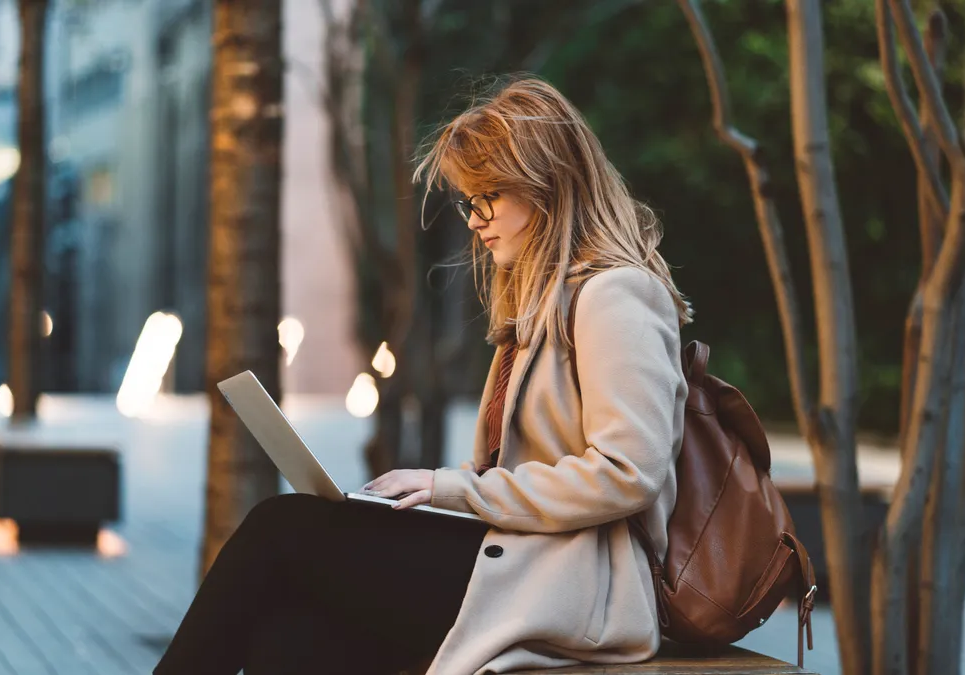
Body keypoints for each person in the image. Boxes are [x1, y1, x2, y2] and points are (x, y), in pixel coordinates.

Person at [153, 76, 692, 675]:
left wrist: (452, 488)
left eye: (488, 197)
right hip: (523, 562)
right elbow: (521, 473)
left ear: (546, 186)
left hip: (584, 588)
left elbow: (626, 473)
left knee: (280, 528)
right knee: (287, 643)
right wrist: (433, 492)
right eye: (469, 201)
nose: (474, 220)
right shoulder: (542, 306)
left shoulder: (618, 294)